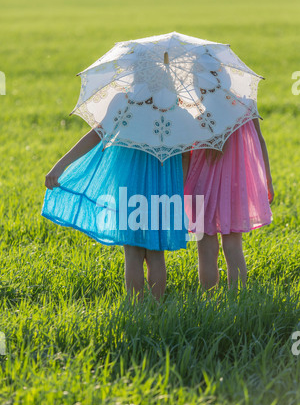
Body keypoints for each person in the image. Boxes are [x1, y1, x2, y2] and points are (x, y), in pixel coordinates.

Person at [42, 128, 188, 301]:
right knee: (156, 251)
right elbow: (185, 152)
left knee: (133, 251)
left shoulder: (127, 102)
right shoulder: (175, 105)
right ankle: (157, 309)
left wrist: (60, 165)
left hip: (130, 178)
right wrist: (177, 186)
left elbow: (98, 132)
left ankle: (136, 309)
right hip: (163, 180)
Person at [184, 118, 274, 290]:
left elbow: (186, 146)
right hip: (235, 184)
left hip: (202, 182)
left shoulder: (198, 103)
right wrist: (267, 179)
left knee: (206, 246)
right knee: (233, 244)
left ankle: (208, 298)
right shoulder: (243, 101)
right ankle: (237, 299)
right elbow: (259, 140)